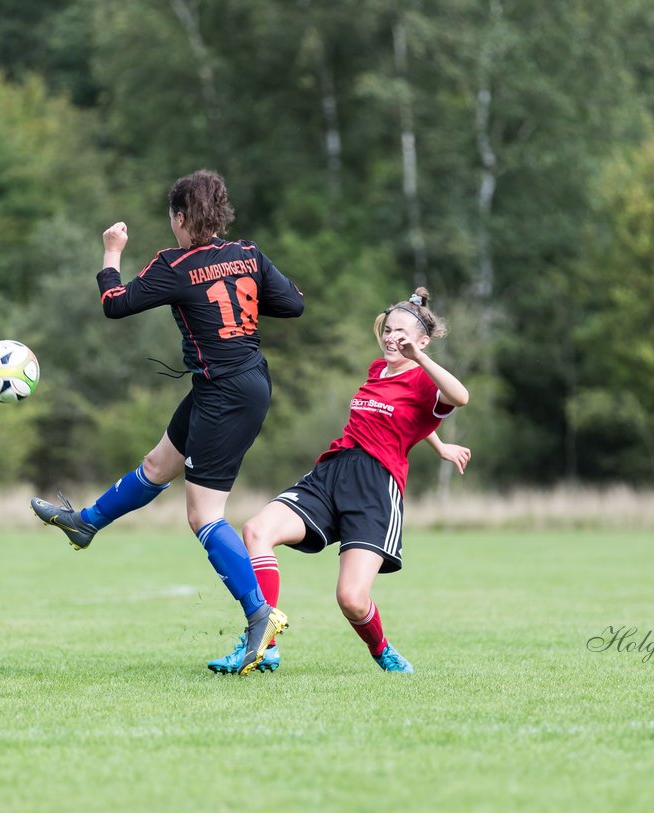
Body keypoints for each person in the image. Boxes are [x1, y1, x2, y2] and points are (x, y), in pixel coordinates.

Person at [31, 169, 305, 676]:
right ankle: (87, 523)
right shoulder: (248, 254)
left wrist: (111, 251)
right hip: (233, 385)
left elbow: (115, 305)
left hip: (225, 394)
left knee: (204, 515)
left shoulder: (173, 264)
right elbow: (293, 304)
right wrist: (240, 287)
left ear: (180, 218)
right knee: (158, 464)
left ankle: (259, 616)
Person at [211, 288, 470, 674]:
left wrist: (420, 360)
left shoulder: (423, 379)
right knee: (256, 530)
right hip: (331, 473)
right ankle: (265, 644)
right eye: (388, 329)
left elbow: (460, 396)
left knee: (351, 599)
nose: (391, 337)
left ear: (422, 340)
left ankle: (381, 649)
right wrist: (437, 444)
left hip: (375, 488)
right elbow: (393, 414)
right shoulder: (376, 370)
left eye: (402, 332)